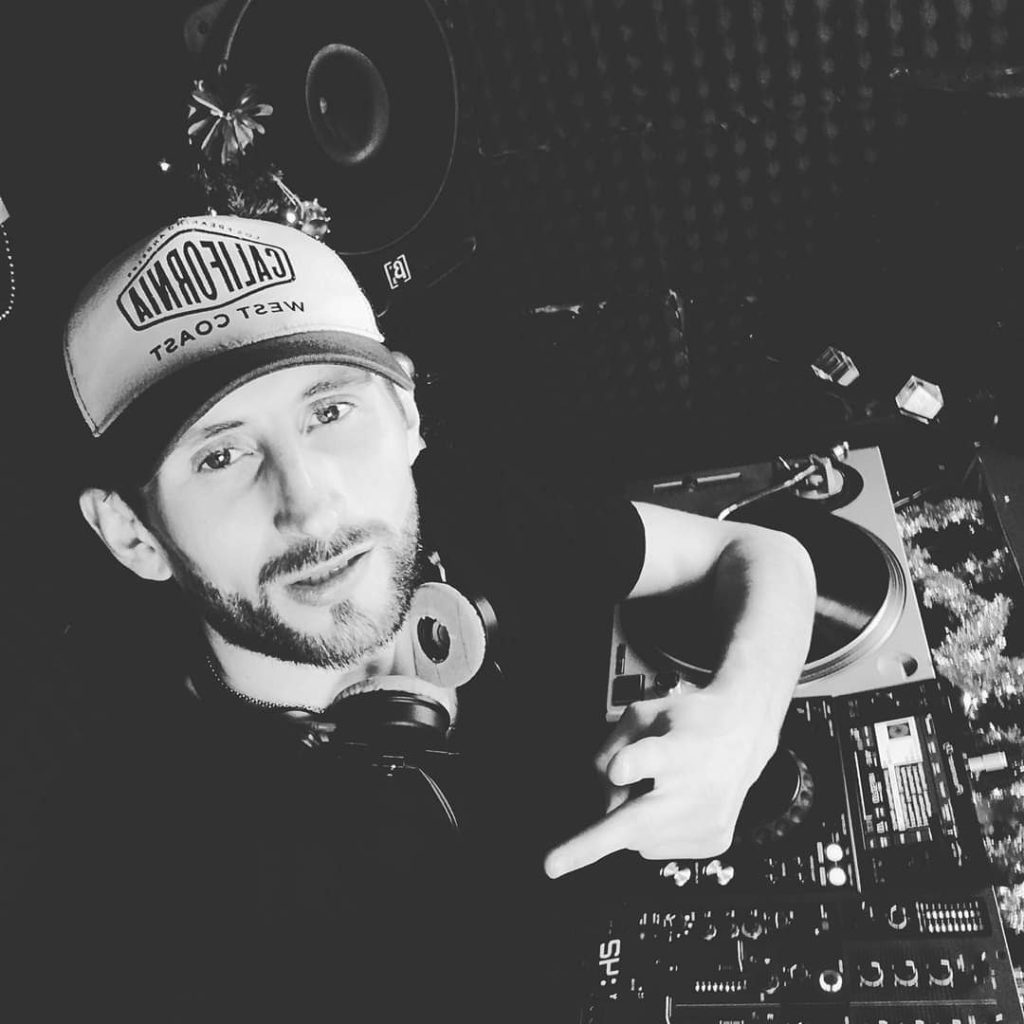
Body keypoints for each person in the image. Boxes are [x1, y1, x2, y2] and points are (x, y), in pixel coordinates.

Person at [6, 214, 815, 1022]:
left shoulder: (466, 508)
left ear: (407, 414)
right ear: (133, 533)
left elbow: (757, 552)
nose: (312, 505)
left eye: (330, 412)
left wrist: (744, 720)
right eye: (219, 455)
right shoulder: (119, 862)